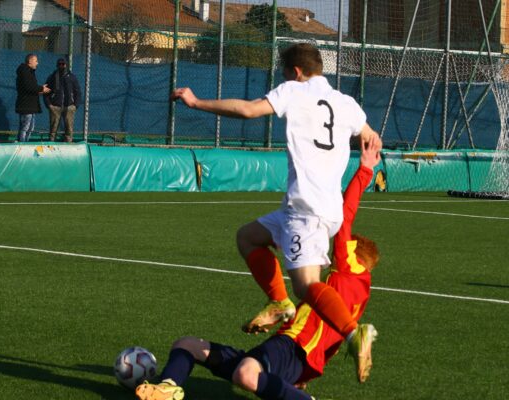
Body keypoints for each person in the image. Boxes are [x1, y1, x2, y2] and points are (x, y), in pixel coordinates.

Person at [170, 43, 382, 377]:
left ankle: (355, 334)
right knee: (248, 238)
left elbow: (248, 110)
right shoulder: (347, 104)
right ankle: (281, 304)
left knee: (307, 286)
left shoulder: (294, 91)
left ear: (295, 72)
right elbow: (372, 139)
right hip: (313, 208)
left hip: (306, 211)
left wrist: (196, 102)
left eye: (284, 72)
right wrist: (358, 154)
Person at [135, 137, 381, 400]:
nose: (335, 248)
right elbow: (325, 342)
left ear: (353, 253)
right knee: (186, 345)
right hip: (292, 354)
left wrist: (365, 169)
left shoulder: (346, 269)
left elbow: (346, 214)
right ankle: (167, 387)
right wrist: (300, 377)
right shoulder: (356, 297)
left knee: (247, 375)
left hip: (292, 346)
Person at [44, 58, 81, 142]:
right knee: (53, 129)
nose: (61, 66)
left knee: (69, 128)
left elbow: (77, 91)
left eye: (63, 64)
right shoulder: (52, 77)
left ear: (66, 65)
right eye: (59, 64)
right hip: (55, 106)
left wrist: (75, 105)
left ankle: (68, 143)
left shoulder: (72, 77)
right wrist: (49, 105)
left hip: (69, 106)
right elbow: (46, 91)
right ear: (57, 65)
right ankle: (51, 143)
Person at [15, 53, 50, 142]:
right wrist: (41, 88)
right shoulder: (24, 71)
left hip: (31, 106)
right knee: (25, 127)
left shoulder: (29, 72)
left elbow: (32, 87)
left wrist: (41, 89)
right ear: (30, 61)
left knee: (30, 127)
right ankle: (22, 144)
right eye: (36, 61)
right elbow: (29, 87)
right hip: (26, 106)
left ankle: (25, 143)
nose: (37, 63)